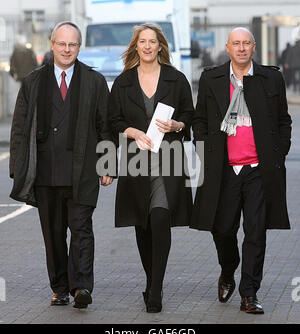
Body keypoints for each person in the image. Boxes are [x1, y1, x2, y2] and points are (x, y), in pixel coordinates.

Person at [9, 21, 113, 309]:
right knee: (53, 234)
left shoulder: (94, 81)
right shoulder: (33, 81)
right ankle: (59, 288)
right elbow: (18, 127)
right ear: (52, 44)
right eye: (62, 43)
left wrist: (107, 165)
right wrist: (19, 167)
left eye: (73, 44)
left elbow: (105, 127)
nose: (67, 49)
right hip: (45, 171)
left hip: (83, 171)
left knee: (81, 230)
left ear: (79, 47)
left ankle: (80, 287)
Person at [190, 27, 292, 314]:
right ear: (228, 47)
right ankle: (228, 269)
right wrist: (205, 148)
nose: (242, 48)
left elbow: (284, 119)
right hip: (224, 170)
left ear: (254, 47)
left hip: (259, 170)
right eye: (236, 43)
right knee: (222, 228)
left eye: (246, 43)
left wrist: (278, 151)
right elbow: (199, 118)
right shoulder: (212, 78)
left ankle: (249, 293)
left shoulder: (271, 77)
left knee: (256, 232)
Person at [108, 23, 194, 313]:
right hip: (135, 160)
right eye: (142, 41)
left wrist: (177, 125)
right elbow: (113, 120)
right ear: (136, 46)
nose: (147, 46)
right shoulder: (123, 83)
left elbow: (189, 116)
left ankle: (155, 290)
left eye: (152, 41)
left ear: (160, 46)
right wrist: (130, 131)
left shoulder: (176, 79)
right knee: (142, 225)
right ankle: (150, 279)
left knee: (159, 218)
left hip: (167, 160)